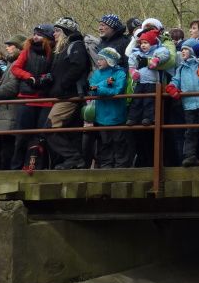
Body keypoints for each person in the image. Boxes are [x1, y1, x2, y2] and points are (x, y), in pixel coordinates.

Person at [45, 17, 91, 170]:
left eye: (57, 30)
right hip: (65, 95)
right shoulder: (64, 48)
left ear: (66, 31)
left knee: (50, 128)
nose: (54, 34)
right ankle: (76, 162)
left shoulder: (76, 46)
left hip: (69, 96)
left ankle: (73, 158)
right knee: (71, 131)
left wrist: (63, 84)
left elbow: (78, 66)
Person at [9, 24, 55, 171]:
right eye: (34, 34)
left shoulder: (53, 52)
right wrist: (29, 77)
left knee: (41, 137)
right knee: (22, 136)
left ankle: (36, 167)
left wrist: (46, 78)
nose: (35, 37)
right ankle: (16, 168)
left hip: (45, 99)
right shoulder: (27, 51)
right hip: (27, 97)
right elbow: (15, 68)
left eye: (39, 34)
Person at [166, 41, 199, 167]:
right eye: (182, 49)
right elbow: (175, 80)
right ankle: (190, 156)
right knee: (190, 131)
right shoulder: (181, 68)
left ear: (192, 51)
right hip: (188, 105)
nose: (182, 51)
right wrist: (172, 87)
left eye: (186, 49)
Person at [0, 35, 27, 169]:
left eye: (10, 45)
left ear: (19, 47)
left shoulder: (18, 63)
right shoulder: (12, 63)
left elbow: (13, 87)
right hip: (8, 112)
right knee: (7, 149)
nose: (7, 48)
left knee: (9, 150)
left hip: (12, 112)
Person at [88, 47, 130, 168]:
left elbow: (117, 90)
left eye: (102, 59)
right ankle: (106, 166)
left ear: (110, 60)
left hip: (117, 114)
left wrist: (99, 88)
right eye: (98, 59)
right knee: (104, 142)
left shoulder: (120, 73)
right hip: (101, 115)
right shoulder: (96, 74)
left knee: (119, 142)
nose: (98, 61)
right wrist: (106, 83)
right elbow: (91, 89)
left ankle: (121, 166)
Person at [127, 29, 170, 127]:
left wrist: (156, 59)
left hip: (152, 82)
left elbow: (165, 53)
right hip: (140, 81)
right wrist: (133, 71)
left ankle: (148, 118)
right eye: (141, 43)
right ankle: (132, 118)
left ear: (152, 43)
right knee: (136, 100)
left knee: (149, 101)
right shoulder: (137, 53)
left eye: (146, 43)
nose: (143, 45)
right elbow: (131, 63)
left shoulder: (157, 51)